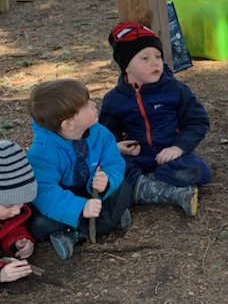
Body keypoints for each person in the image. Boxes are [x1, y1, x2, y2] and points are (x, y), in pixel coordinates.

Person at [99, 22, 210, 217]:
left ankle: (145, 186)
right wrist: (117, 146)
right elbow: (106, 134)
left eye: (158, 56)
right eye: (145, 58)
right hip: (136, 156)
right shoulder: (114, 99)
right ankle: (160, 188)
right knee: (114, 172)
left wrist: (178, 148)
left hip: (170, 154)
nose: (155, 63)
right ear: (126, 66)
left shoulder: (175, 89)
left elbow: (198, 121)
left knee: (200, 170)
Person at [26, 80, 133, 260]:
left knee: (124, 188)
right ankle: (100, 223)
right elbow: (45, 192)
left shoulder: (101, 133)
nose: (93, 104)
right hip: (65, 199)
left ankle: (79, 231)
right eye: (86, 105)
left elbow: (114, 163)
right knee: (38, 224)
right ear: (68, 125)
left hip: (94, 192)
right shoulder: (42, 152)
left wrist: (106, 181)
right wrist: (80, 208)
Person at [0, 140, 37, 283]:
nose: (16, 211)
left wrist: (18, 240)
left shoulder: (7, 212)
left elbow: (9, 225)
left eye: (21, 203)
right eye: (9, 205)